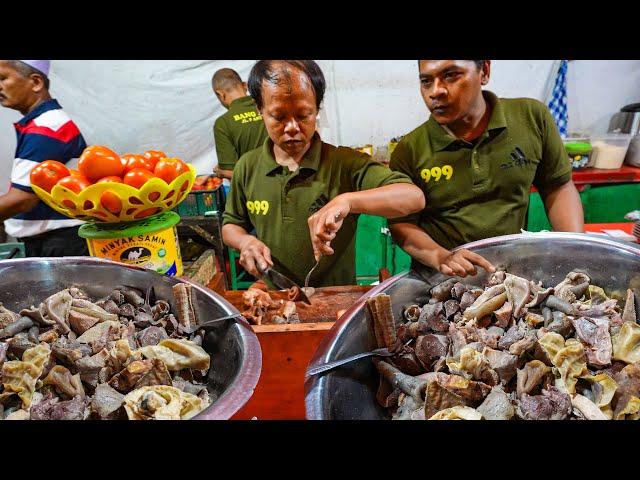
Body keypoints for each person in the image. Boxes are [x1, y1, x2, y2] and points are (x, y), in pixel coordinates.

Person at [222, 60, 425, 287]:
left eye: (303, 115)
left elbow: (413, 197)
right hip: (276, 297)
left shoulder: (344, 163)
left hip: (337, 299)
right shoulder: (247, 167)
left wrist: (347, 200)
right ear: (259, 109)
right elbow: (231, 225)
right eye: (279, 117)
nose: (291, 127)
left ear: (317, 108)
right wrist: (245, 241)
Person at [389, 60, 584, 278]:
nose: (436, 91)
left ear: (484, 71)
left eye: (451, 75)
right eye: (426, 81)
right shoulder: (410, 150)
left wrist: (574, 251)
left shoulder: (531, 118)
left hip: (511, 274)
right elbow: (402, 224)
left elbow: (557, 187)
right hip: (441, 282)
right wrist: (442, 257)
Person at [0, 60, 88, 257]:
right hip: (50, 242)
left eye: (3, 78)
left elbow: (22, 199)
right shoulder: (40, 124)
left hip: (61, 244)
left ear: (36, 82)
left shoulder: (48, 127)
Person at [211, 68, 269, 181]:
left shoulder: (223, 123)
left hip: (254, 193)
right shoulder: (268, 107)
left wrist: (220, 171)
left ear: (220, 94)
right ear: (245, 85)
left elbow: (231, 173)